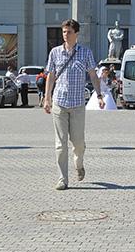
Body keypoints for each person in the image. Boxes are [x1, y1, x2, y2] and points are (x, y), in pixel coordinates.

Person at [44, 19, 104, 190]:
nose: (65, 35)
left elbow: (93, 75)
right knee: (60, 143)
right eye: (63, 32)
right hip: (59, 103)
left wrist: (99, 95)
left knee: (78, 142)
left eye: (69, 32)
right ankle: (62, 178)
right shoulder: (55, 53)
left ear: (76, 33)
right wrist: (47, 99)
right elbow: (51, 76)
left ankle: (79, 163)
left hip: (78, 105)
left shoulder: (85, 53)